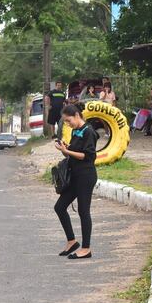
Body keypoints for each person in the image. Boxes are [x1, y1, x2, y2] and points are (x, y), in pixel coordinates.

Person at [54, 104, 99, 260]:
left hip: (86, 176)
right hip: (74, 176)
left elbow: (88, 156)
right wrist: (65, 147)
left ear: (77, 115)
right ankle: (72, 241)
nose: (68, 124)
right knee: (59, 207)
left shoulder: (89, 131)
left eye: (68, 120)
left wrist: (67, 152)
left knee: (83, 211)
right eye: (65, 122)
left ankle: (86, 248)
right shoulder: (75, 131)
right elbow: (75, 150)